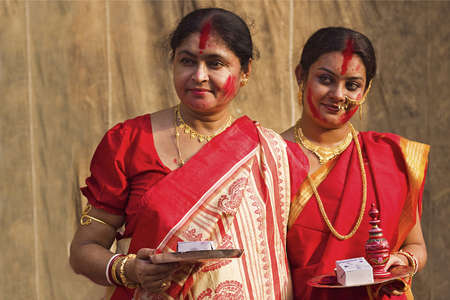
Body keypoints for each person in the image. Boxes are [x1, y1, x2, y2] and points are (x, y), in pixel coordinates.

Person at [70, 8, 308, 300]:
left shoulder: (272, 154)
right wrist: (129, 269)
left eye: (215, 63)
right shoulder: (129, 142)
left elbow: (297, 257)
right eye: (187, 61)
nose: (199, 76)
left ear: (245, 72)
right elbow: (84, 249)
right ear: (172, 63)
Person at [283, 27, 429, 300]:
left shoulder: (389, 158)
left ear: (366, 89)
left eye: (352, 85)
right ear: (300, 75)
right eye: (326, 79)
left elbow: (417, 245)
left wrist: (405, 261)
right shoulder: (270, 156)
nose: (338, 94)